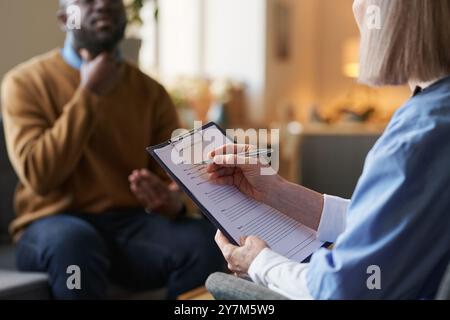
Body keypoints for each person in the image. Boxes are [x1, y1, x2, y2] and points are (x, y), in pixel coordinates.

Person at [205, 0, 450, 300]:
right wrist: (277, 190)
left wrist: (259, 262)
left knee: (217, 286)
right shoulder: (435, 116)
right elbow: (386, 220)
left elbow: (345, 289)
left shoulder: (419, 136)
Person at [1, 0, 222, 299]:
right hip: (50, 225)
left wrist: (173, 200)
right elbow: (40, 176)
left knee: (202, 242)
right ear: (65, 19)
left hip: (128, 227)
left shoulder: (150, 92)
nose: (103, 4)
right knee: (75, 244)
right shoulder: (24, 83)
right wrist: (89, 92)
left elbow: (182, 178)